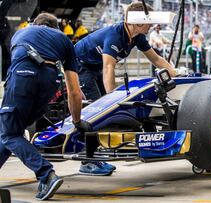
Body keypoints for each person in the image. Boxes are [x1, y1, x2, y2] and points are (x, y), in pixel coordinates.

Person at [74, 1, 177, 175]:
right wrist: (112, 99)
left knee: (100, 110)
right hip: (80, 66)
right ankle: (87, 161)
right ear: (137, 22)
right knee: (96, 110)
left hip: (95, 66)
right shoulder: (114, 35)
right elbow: (109, 68)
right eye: (149, 22)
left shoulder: (138, 37)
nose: (152, 25)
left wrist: (176, 74)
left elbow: (157, 59)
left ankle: (95, 157)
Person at [0, 13, 91, 201]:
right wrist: (77, 121)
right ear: (56, 27)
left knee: (9, 133)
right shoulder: (64, 40)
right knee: (12, 132)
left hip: (23, 75)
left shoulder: (22, 32)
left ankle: (46, 174)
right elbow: (74, 91)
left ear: (35, 23)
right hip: (51, 80)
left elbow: (16, 61)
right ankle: (45, 174)